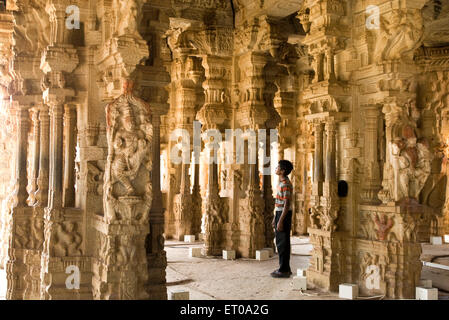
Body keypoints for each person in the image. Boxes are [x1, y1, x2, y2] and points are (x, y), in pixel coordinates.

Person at [271, 160, 294, 278]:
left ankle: (284, 269)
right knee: (280, 242)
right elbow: (279, 203)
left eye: (277, 167)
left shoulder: (285, 184)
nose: (276, 168)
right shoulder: (281, 183)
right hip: (280, 213)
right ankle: (283, 267)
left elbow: (287, 204)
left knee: (283, 242)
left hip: (284, 214)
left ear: (283, 171)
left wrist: (280, 220)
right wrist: (276, 217)